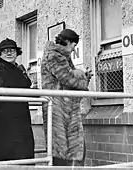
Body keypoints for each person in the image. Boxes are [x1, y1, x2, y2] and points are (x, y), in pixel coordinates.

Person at [41, 29, 93, 166]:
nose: (73, 49)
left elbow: (69, 77)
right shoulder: (54, 56)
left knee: (70, 148)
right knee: (62, 148)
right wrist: (82, 77)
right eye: (74, 45)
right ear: (68, 42)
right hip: (58, 107)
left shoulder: (60, 56)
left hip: (65, 107)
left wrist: (82, 76)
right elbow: (68, 79)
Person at [0, 38, 35, 162]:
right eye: (5, 51)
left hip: (19, 117)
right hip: (5, 120)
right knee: (9, 155)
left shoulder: (15, 68)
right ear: (0, 54)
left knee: (22, 153)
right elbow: (7, 87)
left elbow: (26, 84)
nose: (9, 53)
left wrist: (23, 73)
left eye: (12, 51)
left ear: (17, 53)